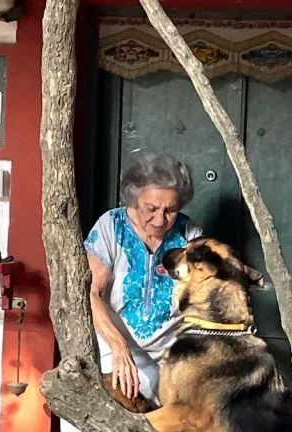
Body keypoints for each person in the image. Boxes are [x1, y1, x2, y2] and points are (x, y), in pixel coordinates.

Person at [84, 151, 202, 406]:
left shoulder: (190, 234)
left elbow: (200, 300)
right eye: (151, 209)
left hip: (171, 351)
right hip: (114, 345)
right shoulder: (111, 226)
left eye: (170, 210)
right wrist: (118, 347)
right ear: (134, 198)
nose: (160, 220)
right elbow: (90, 293)